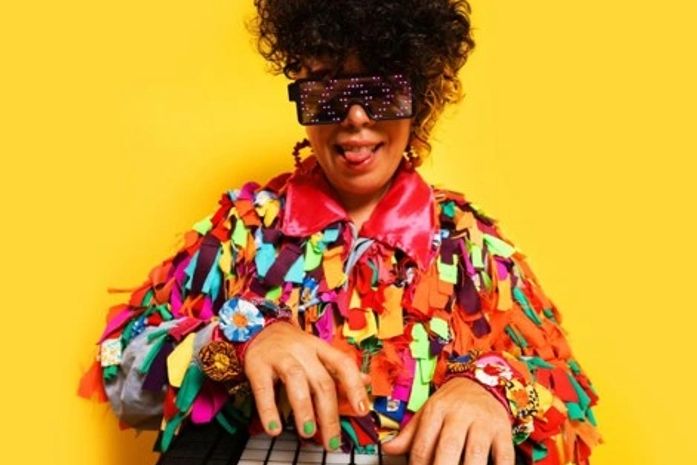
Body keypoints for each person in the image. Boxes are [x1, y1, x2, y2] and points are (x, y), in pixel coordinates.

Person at [79, 1, 601, 464]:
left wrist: (493, 390)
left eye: (381, 91)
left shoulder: (473, 245)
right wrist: (233, 342)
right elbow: (115, 366)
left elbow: (571, 402)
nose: (355, 117)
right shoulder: (243, 229)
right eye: (328, 91)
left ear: (418, 97)